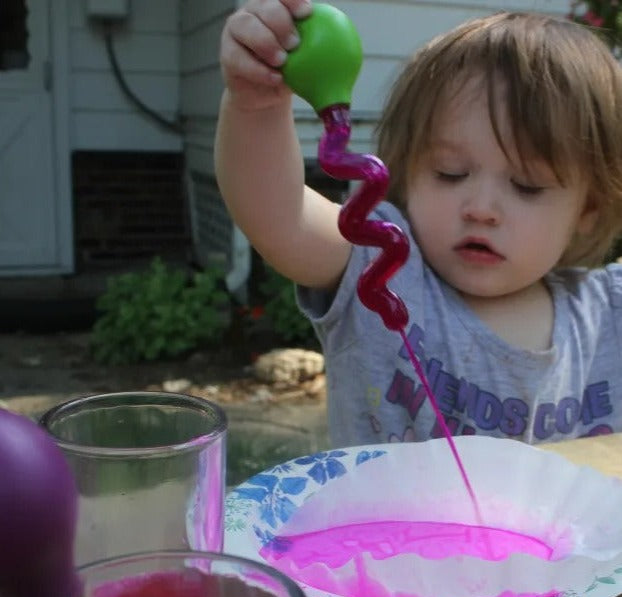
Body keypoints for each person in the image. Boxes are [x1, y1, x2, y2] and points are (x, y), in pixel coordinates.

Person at [215, 1, 622, 447]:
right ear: (408, 173)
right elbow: (280, 215)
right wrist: (256, 109)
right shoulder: (382, 264)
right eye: (449, 172)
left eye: (526, 185)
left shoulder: (607, 316)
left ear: (589, 209)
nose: (481, 208)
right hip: (392, 520)